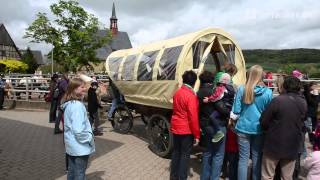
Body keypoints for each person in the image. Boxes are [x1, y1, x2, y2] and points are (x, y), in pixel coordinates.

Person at [230, 65, 273, 180]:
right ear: (261, 76)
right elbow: (269, 114)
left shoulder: (241, 89)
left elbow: (236, 111)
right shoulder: (268, 92)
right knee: (257, 157)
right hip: (259, 128)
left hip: (243, 127)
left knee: (243, 159)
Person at [260, 76, 307, 180]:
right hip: (292, 144)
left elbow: (264, 121)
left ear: (285, 86)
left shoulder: (277, 100)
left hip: (274, 143)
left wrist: (268, 129)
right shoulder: (303, 102)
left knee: (267, 175)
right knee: (287, 176)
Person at [198, 71, 231, 180]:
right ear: (212, 80)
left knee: (207, 152)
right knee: (218, 154)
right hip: (218, 125)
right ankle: (214, 178)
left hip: (205, 125)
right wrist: (229, 111)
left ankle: (204, 177)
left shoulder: (199, 92)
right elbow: (222, 109)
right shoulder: (214, 91)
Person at [61, 77, 95, 180]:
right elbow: (78, 130)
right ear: (74, 89)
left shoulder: (70, 104)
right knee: (80, 174)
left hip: (72, 145)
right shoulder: (77, 106)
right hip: (80, 146)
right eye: (82, 87)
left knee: (72, 171)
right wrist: (89, 138)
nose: (84, 89)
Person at [170, 70, 200, 180]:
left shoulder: (177, 92)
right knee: (185, 155)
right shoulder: (191, 96)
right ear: (194, 82)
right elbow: (193, 117)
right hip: (186, 130)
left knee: (176, 153)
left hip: (176, 127)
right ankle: (182, 177)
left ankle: (173, 177)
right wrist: (197, 135)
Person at [203, 73, 235, 143]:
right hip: (228, 107)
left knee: (212, 117)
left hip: (221, 107)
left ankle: (218, 132)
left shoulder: (221, 87)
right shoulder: (232, 88)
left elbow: (217, 96)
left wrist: (208, 99)